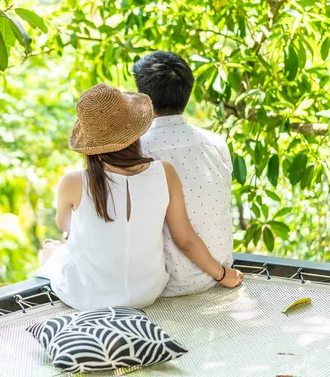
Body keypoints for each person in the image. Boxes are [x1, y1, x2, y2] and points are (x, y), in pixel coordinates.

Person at [36, 83, 242, 311]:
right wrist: (222, 274)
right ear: (136, 132)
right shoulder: (165, 172)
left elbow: (65, 225)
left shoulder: (73, 182)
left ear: (89, 144)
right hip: (147, 291)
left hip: (89, 297)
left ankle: (50, 255)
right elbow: (186, 240)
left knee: (53, 252)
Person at [135, 51, 234, 297]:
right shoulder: (215, 143)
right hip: (219, 273)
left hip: (168, 285)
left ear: (143, 98)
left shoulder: (137, 150)